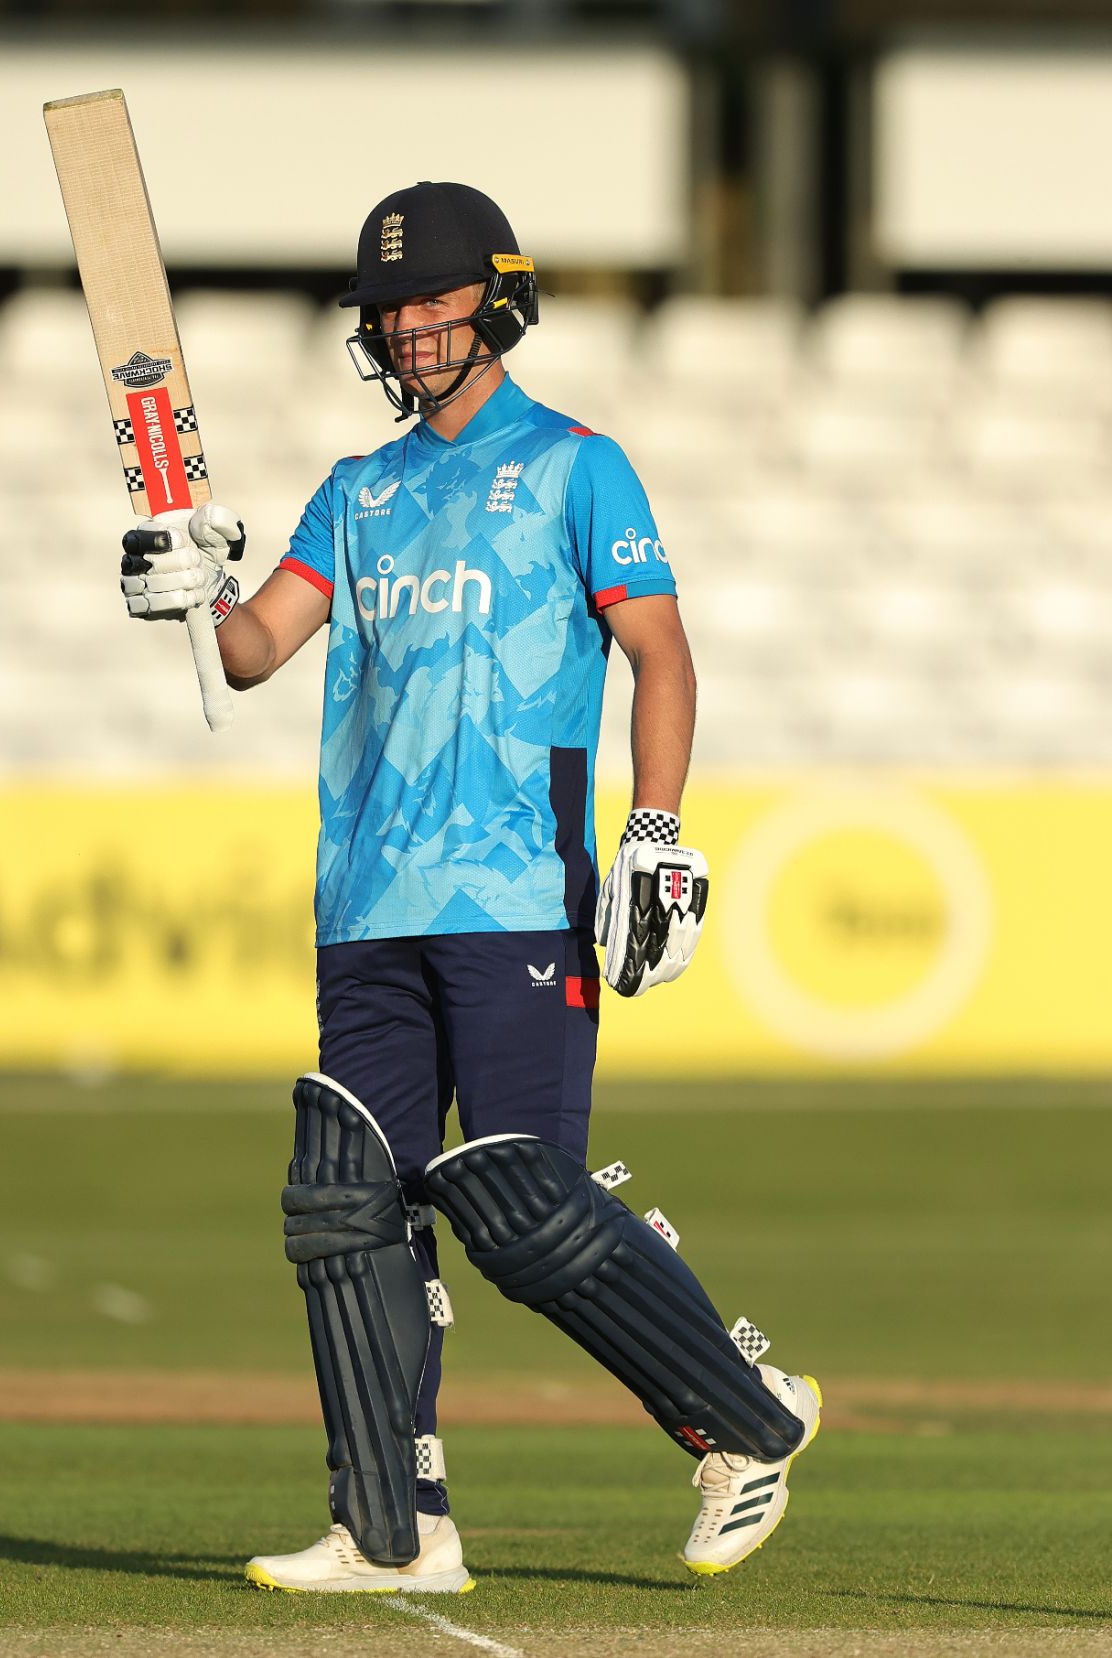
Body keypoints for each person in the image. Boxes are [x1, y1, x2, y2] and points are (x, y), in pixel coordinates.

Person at [119, 181, 821, 1594]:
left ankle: (744, 1421)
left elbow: (662, 655)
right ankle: (391, 1526)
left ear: (495, 300)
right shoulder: (357, 488)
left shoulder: (577, 466)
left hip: (515, 894)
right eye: (391, 311)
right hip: (366, 902)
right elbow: (254, 653)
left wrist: (658, 834)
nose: (411, 330)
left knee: (516, 1201)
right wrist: (190, 581)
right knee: (346, 1202)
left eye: (434, 303)